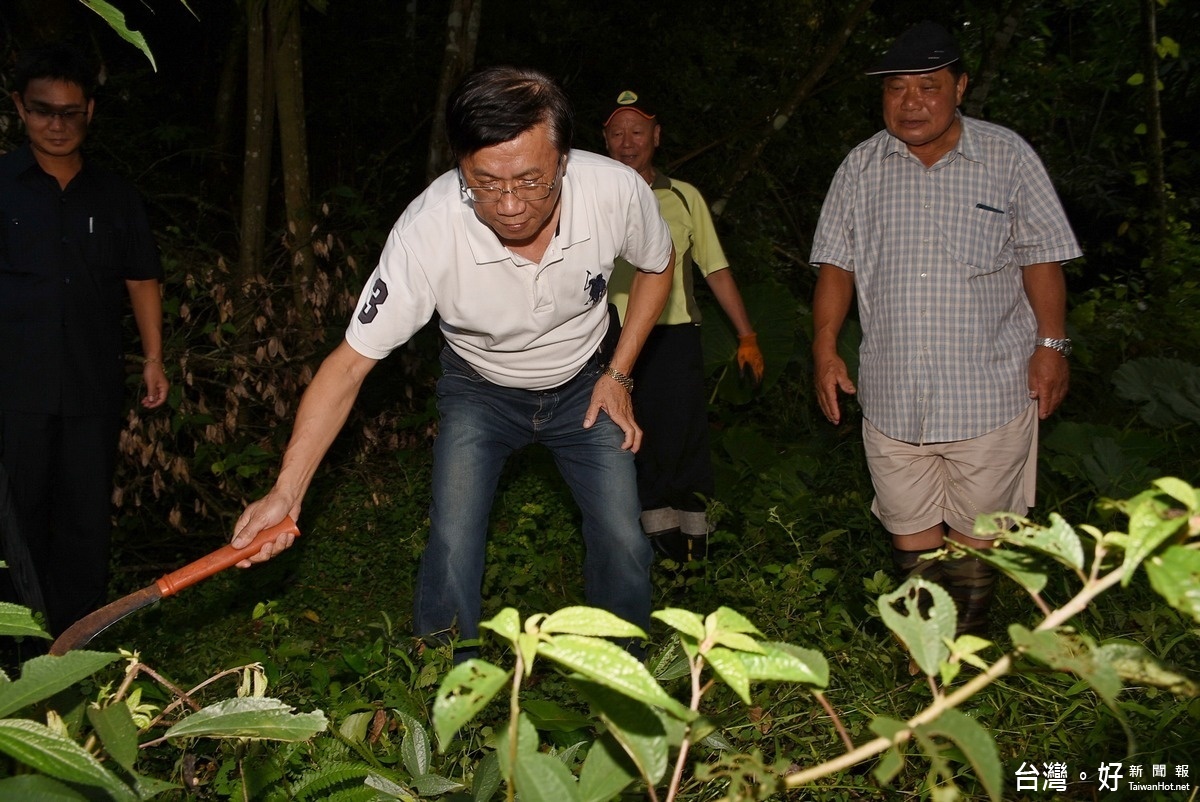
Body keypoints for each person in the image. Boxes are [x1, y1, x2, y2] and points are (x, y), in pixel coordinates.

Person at [231, 66, 674, 656]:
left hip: (584, 385)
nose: (510, 205)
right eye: (485, 183)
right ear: (461, 164)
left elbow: (658, 265)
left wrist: (618, 374)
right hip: (480, 391)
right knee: (453, 542)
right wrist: (287, 490)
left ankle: (626, 688)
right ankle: (445, 693)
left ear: (564, 158)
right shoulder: (428, 231)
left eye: (531, 180)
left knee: (625, 538)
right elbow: (347, 366)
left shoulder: (616, 191)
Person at [809, 22, 1081, 636]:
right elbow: (835, 266)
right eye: (896, 89)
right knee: (910, 532)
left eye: (927, 87)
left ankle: (966, 651)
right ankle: (924, 655)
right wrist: (825, 350)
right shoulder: (860, 167)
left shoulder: (1007, 156)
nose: (911, 102)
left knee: (976, 535)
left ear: (959, 87)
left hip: (988, 386)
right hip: (891, 391)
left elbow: (1042, 257)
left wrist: (1052, 345)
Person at [0, 42, 168, 636]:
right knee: (16, 521)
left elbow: (141, 276)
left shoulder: (115, 196)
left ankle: (78, 644)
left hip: (92, 386)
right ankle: (17, 649)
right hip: (15, 388)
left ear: (90, 112)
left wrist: (154, 358)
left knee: (84, 518)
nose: (56, 124)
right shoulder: (4, 187)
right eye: (43, 110)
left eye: (69, 112)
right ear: (20, 108)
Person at [601, 90, 762, 564]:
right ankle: (658, 549)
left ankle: (700, 547)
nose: (627, 142)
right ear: (604, 140)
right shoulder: (590, 196)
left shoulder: (682, 196)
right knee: (632, 438)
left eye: (637, 131)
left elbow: (715, 269)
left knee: (685, 435)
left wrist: (747, 335)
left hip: (673, 335)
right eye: (617, 132)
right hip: (609, 335)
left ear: (656, 135)